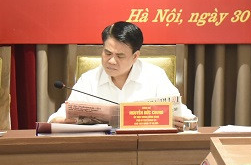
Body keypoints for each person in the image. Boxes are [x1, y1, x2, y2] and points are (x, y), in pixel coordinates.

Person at [48, 21, 196, 131]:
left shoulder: (155, 76)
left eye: (120, 56)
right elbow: (56, 118)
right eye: (107, 53)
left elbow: (187, 118)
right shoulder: (89, 80)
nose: (111, 61)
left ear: (135, 56)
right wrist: (61, 122)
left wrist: (181, 122)